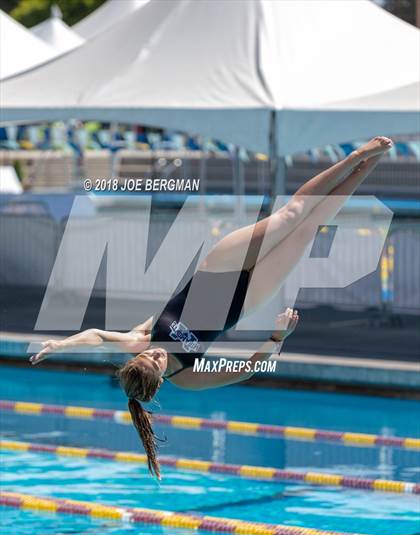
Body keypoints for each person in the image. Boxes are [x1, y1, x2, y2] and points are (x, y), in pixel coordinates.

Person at [31, 136, 393, 478]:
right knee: (309, 227)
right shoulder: (187, 377)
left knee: (291, 215)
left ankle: (354, 157)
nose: (155, 352)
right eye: (155, 361)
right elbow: (247, 370)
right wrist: (276, 337)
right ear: (159, 382)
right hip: (247, 297)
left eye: (146, 355)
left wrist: (59, 345)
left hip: (217, 269)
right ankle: (368, 168)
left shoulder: (139, 343)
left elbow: (96, 336)